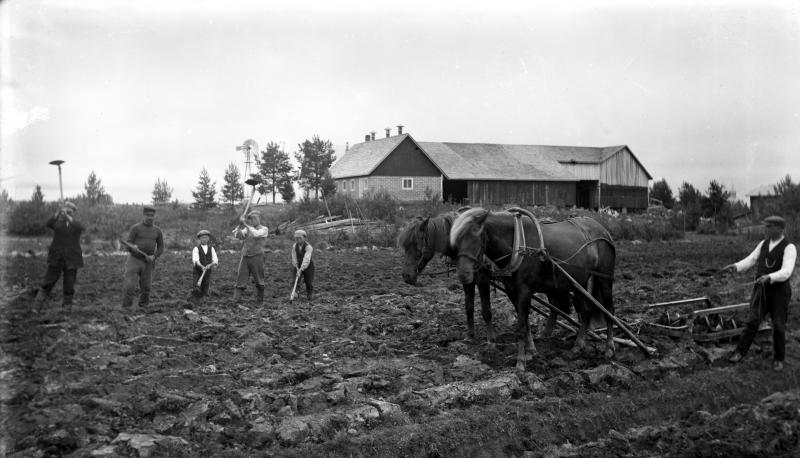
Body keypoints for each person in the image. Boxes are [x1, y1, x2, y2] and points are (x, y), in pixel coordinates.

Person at [723, 215, 796, 371]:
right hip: (761, 290)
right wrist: (736, 266)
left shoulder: (789, 247)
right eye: (765, 226)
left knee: (778, 326)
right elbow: (751, 259)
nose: (765, 229)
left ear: (779, 229)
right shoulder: (763, 244)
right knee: (752, 322)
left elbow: (787, 271)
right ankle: (739, 352)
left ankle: (778, 359)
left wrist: (770, 277)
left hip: (779, 293)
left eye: (769, 226)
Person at [34, 201, 84, 311]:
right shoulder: (57, 223)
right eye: (66, 210)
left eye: (70, 211)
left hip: (71, 260)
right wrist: (57, 213)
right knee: (48, 282)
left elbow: (80, 227)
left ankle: (67, 309)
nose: (67, 212)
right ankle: (37, 307)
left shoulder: (76, 224)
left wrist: (67, 217)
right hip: (56, 259)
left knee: (69, 285)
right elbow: (48, 223)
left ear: (73, 212)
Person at [122, 205, 165, 308]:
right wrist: (133, 247)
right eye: (147, 215)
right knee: (130, 286)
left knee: (146, 287)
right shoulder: (135, 228)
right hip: (134, 260)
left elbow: (161, 247)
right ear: (143, 215)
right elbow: (128, 244)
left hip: (148, 261)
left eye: (152, 215)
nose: (150, 217)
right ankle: (126, 307)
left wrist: (154, 256)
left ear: (154, 216)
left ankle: (143, 307)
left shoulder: (157, 231)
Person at [233, 210, 269, 304]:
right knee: (241, 277)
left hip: (257, 256)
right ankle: (236, 300)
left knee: (259, 278)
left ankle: (260, 301)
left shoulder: (264, 229)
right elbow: (238, 236)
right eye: (251, 219)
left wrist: (245, 224)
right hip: (245, 256)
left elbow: (256, 234)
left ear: (259, 219)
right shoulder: (247, 228)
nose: (252, 220)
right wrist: (239, 227)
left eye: (254, 218)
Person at [192, 229, 218, 300]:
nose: (204, 239)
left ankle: (204, 299)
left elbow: (215, 260)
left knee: (206, 285)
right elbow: (196, 260)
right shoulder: (196, 249)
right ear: (200, 239)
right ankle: (195, 300)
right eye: (203, 238)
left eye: (206, 237)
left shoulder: (211, 249)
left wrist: (210, 265)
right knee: (196, 286)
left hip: (207, 271)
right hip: (198, 271)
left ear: (208, 238)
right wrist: (201, 266)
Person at [290, 229, 315, 302]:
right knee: (295, 280)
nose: (298, 240)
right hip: (298, 265)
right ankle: (295, 293)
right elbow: (294, 257)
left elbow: (306, 259)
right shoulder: (294, 246)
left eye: (299, 238)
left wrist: (301, 269)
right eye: (296, 238)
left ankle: (309, 294)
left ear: (304, 238)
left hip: (308, 266)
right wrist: (296, 266)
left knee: (308, 282)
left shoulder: (308, 247)